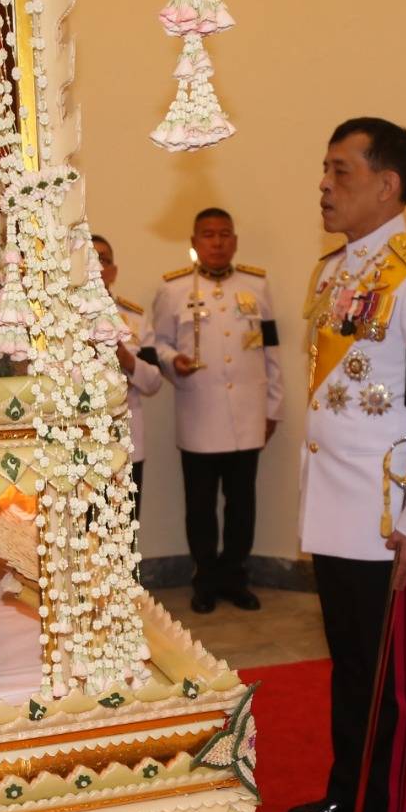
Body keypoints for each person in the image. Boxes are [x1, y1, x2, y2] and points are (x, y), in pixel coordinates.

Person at [285, 117, 406, 812]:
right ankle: (346, 787)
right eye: (325, 169)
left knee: (388, 675)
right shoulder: (333, 272)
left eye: (342, 171)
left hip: (387, 514)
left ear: (388, 184)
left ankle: (386, 806)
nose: (324, 185)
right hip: (336, 503)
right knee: (350, 661)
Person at [153, 208, 284, 613]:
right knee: (200, 507)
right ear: (194, 242)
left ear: (235, 241)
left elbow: (271, 350)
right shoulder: (173, 289)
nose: (217, 242)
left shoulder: (256, 286)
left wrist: (273, 407)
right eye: (208, 235)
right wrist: (172, 361)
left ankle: (235, 577)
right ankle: (206, 579)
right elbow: (157, 344)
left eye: (225, 234)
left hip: (248, 416)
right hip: (199, 415)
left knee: (242, 505)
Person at [93, 234, 163, 519]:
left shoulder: (134, 319)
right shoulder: (58, 319)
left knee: (125, 526)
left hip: (126, 439)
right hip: (78, 441)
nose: (96, 266)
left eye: (103, 259)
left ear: (113, 271)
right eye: (88, 258)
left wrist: (126, 359)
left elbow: (153, 381)